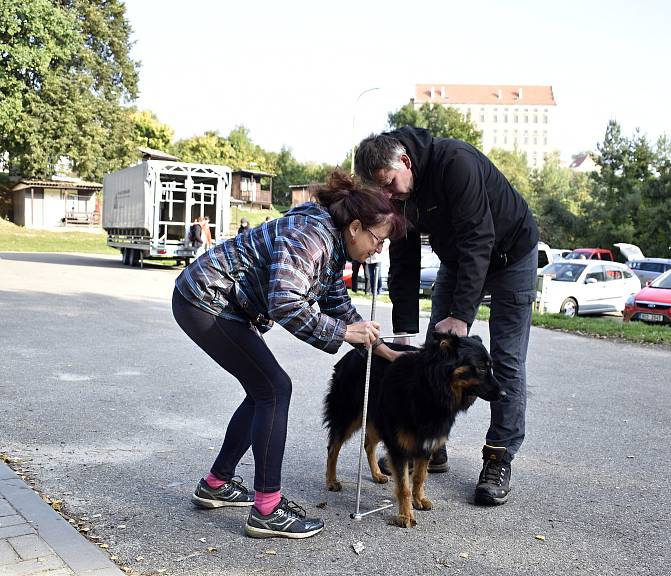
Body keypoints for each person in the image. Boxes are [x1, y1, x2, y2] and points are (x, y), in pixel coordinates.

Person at [172, 169, 405, 539]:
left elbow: (335, 300)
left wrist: (381, 348)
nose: (378, 250)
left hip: (224, 305)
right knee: (275, 389)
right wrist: (343, 333)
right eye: (378, 241)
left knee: (264, 389)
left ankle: (216, 483)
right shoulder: (311, 235)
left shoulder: (333, 241)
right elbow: (285, 301)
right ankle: (267, 509)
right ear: (356, 227)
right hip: (204, 299)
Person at [355, 127, 539, 507]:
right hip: (460, 261)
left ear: (405, 162)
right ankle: (430, 444)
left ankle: (498, 457)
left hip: (510, 256)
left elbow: (478, 238)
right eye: (381, 191)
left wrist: (460, 315)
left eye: (389, 185)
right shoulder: (398, 193)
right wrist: (404, 329)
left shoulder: (456, 163)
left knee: (504, 362)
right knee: (433, 353)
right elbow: (404, 259)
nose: (387, 196)